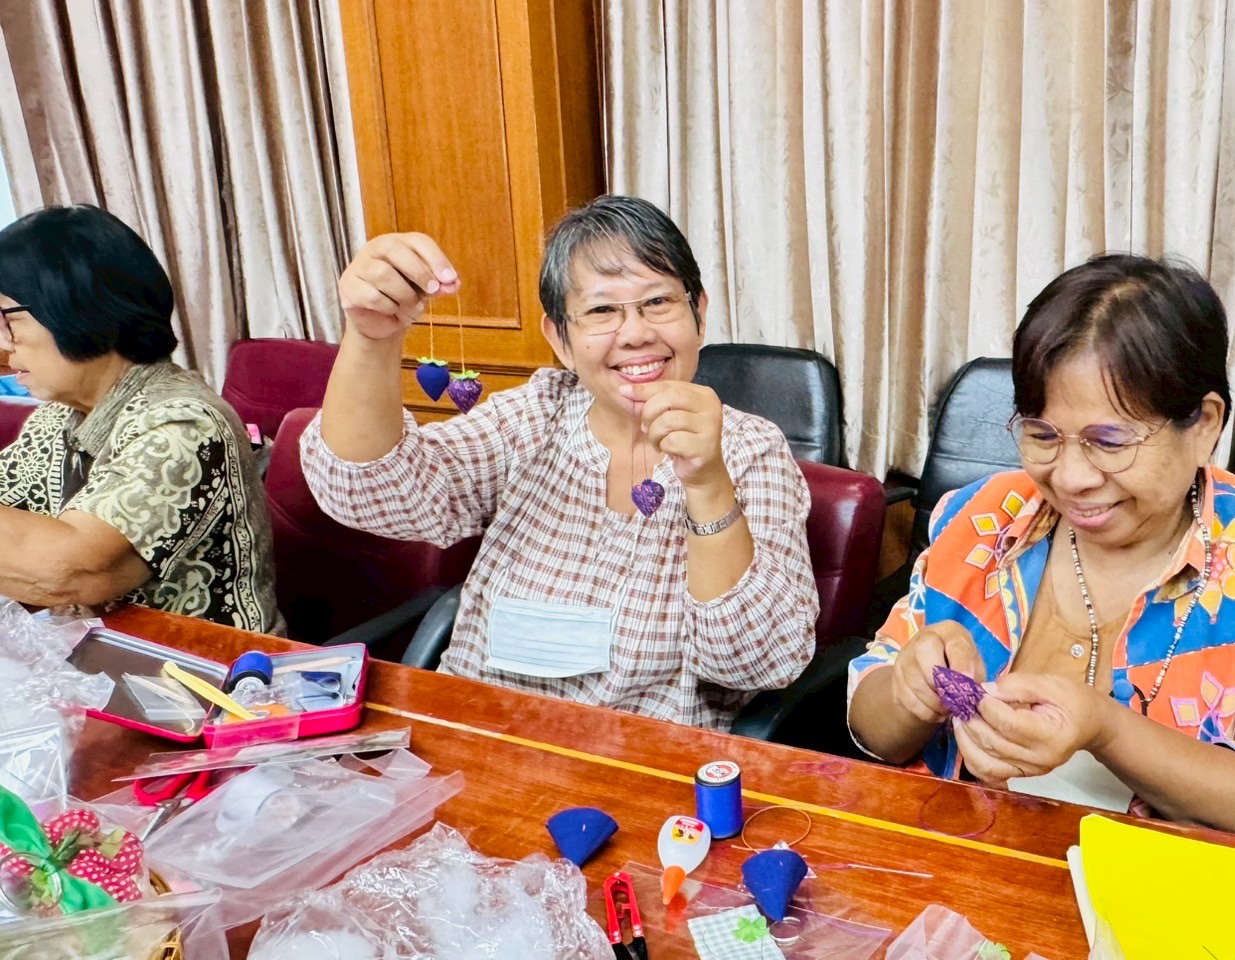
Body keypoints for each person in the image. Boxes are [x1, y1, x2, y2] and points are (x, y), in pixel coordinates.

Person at [848, 255, 1235, 852]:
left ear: (1204, 425)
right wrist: (907, 691)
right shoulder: (984, 521)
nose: (1071, 477)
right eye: (1042, 435)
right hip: (966, 860)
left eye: (1109, 442)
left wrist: (1106, 729)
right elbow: (871, 728)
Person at [302, 195, 817, 729]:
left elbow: (759, 662)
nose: (636, 332)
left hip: (639, 756)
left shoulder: (751, 449)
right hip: (475, 732)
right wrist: (371, 338)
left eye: (658, 301)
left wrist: (707, 484)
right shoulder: (536, 415)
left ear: (699, 314)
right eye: (601, 310)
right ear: (561, 340)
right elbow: (375, 494)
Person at [0, 206, 279, 632]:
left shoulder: (184, 426)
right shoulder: (60, 416)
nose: (4, 344)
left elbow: (71, 570)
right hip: (99, 654)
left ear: (78, 308)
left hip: (209, 666)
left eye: (8, 320)